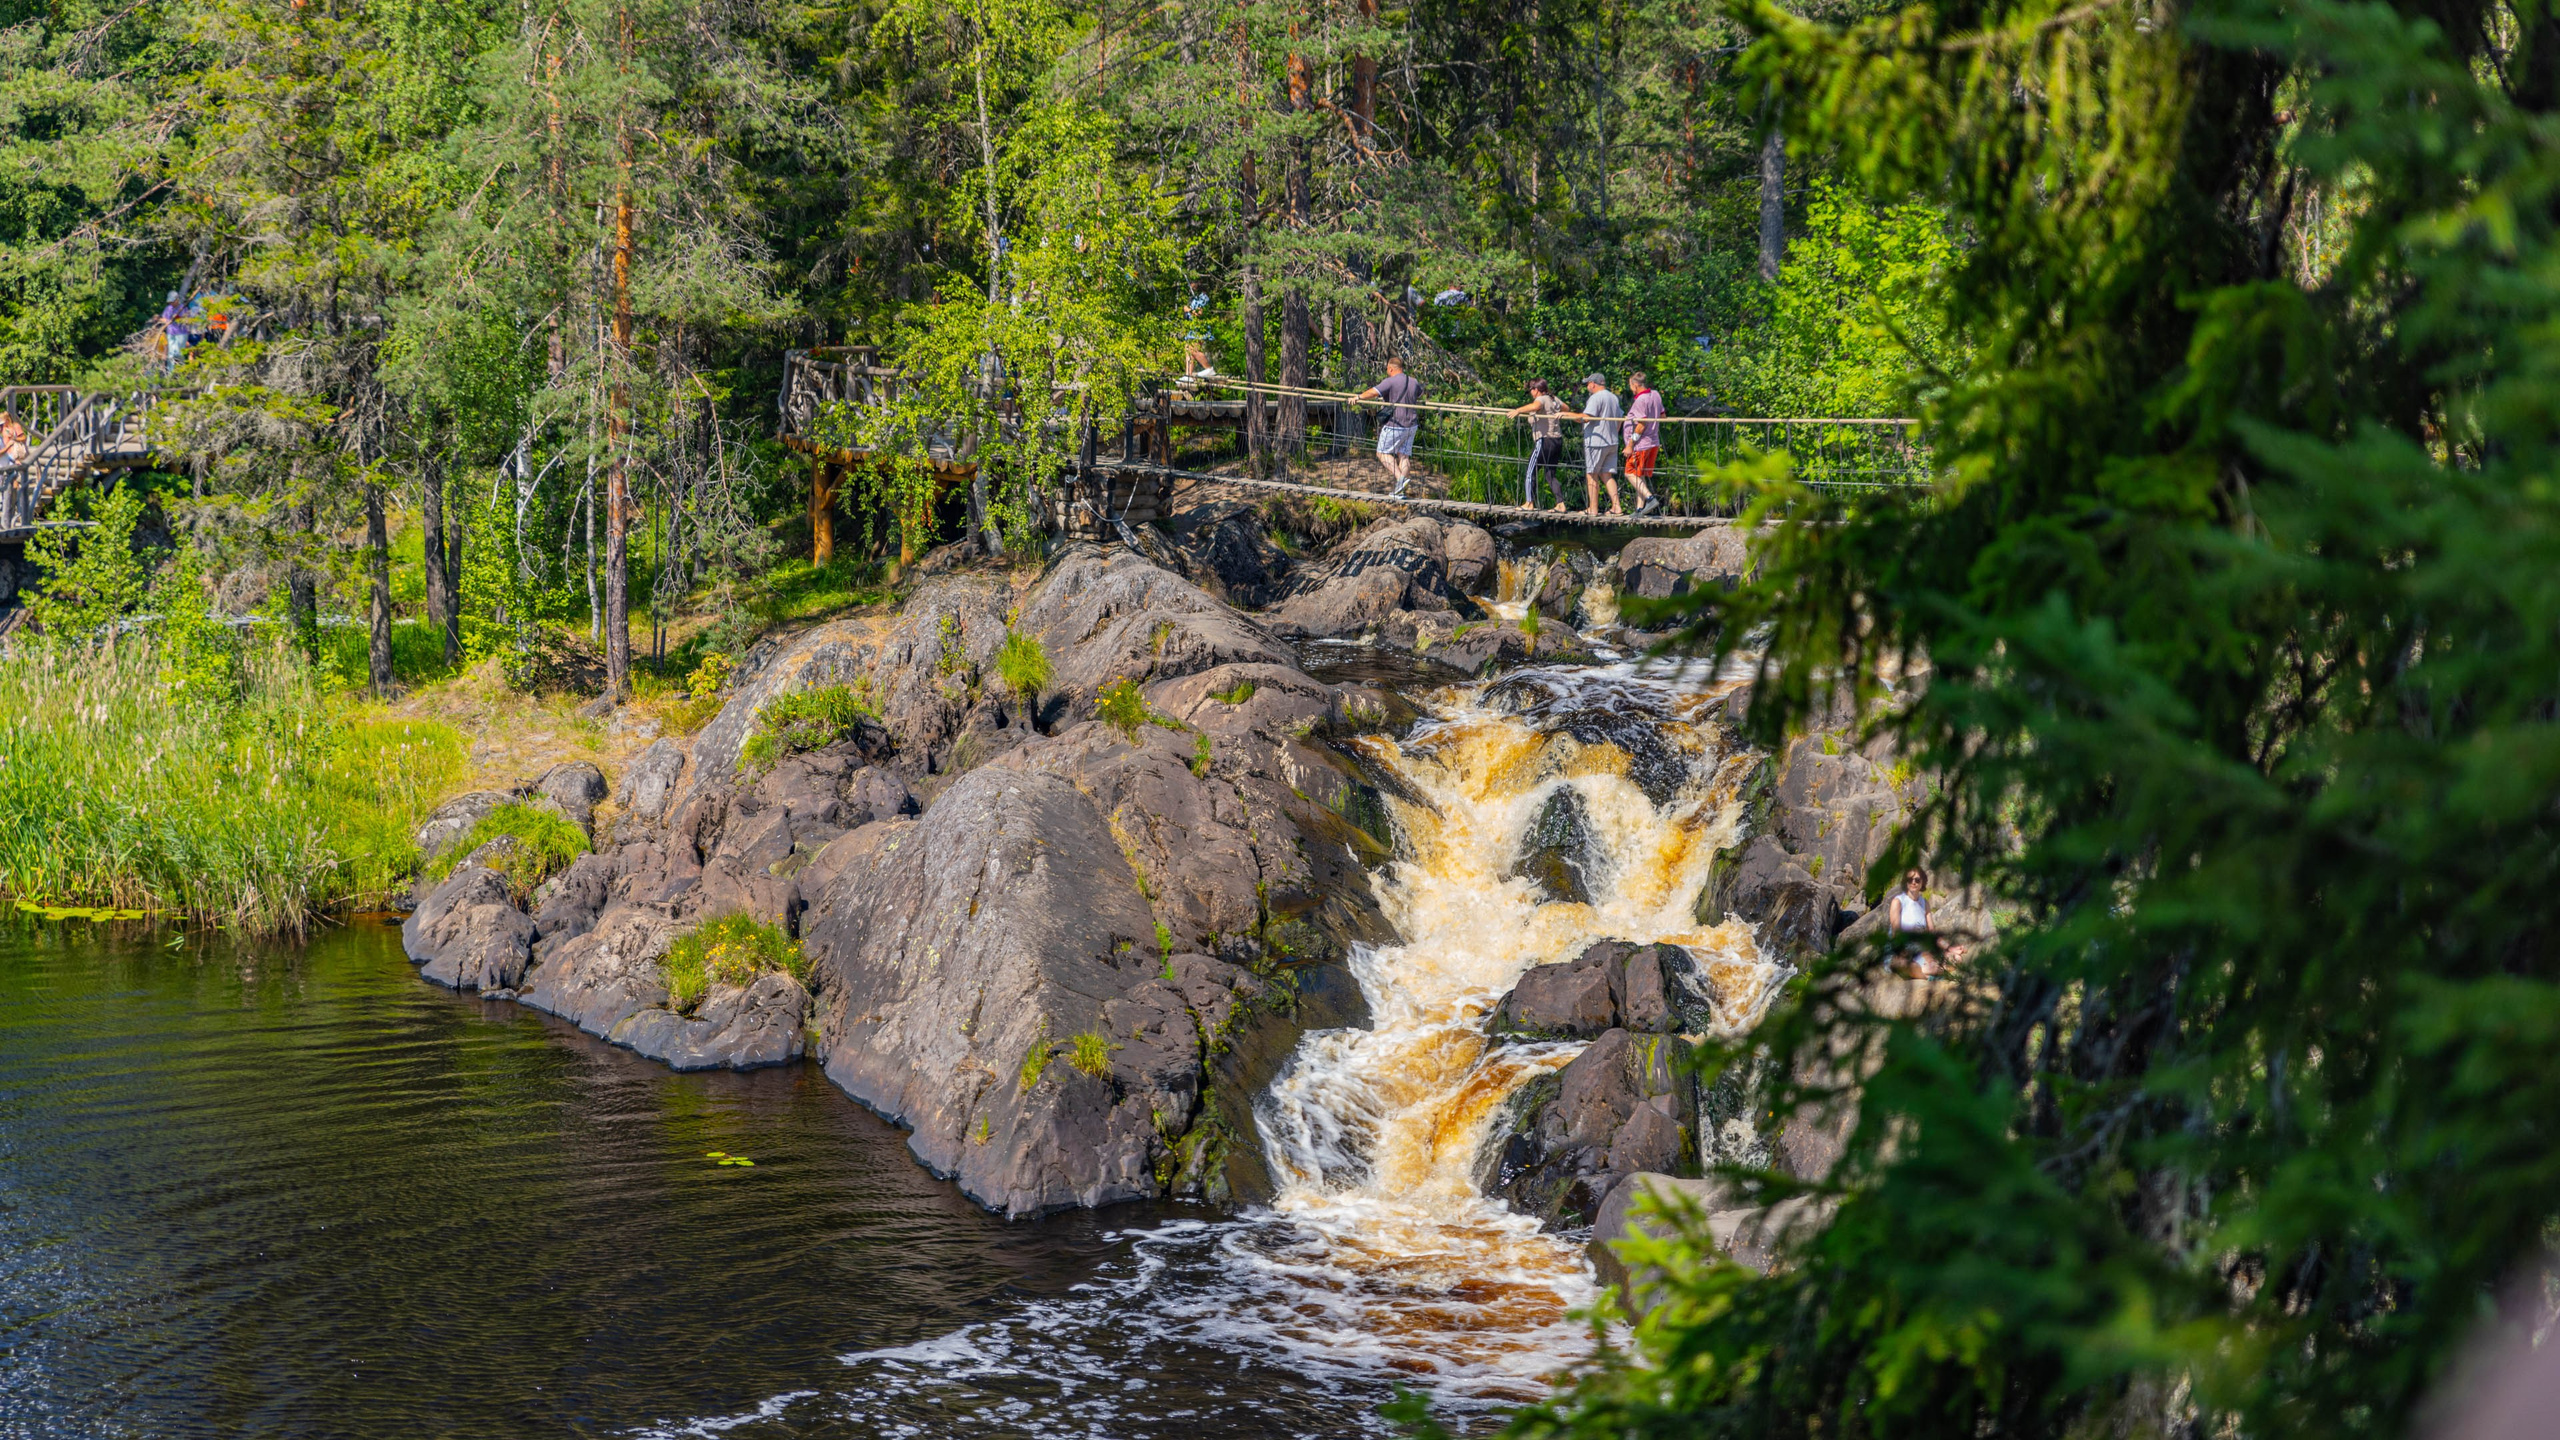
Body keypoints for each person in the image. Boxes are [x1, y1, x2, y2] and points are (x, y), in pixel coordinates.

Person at [1352, 356, 1424, 497]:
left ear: (1391, 368)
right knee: (1404, 456)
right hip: (1411, 425)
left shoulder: (1390, 381)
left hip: (1395, 424)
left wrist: (1358, 397)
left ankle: (1401, 479)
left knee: (1382, 453)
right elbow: (1419, 394)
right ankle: (1399, 492)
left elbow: (1373, 392)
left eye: (1387, 369)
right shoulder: (1413, 381)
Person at [1561, 372, 1625, 514]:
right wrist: (1614, 433)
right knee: (1607, 474)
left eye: (1588, 384)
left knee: (1592, 474)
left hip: (1596, 442)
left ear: (1593, 384)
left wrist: (1567, 415)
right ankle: (1616, 506)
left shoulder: (1596, 398)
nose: (1587, 386)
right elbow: (1620, 418)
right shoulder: (1613, 397)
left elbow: (1586, 418)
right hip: (1612, 441)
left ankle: (1593, 509)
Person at [1507, 379, 1572, 510]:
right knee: (1550, 474)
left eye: (1531, 390)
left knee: (1530, 471)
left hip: (1544, 440)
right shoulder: (1553, 399)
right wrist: (1560, 413)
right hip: (1556, 441)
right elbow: (1566, 408)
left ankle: (1529, 502)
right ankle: (1560, 503)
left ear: (1536, 390)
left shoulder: (1541, 399)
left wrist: (1518, 410)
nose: (1531, 393)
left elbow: (1535, 406)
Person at [1621, 371, 1666, 515]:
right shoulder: (1656, 394)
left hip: (1641, 444)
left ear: (1635, 385)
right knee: (1639, 475)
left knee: (1629, 473)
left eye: (1630, 385)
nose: (1630, 388)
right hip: (1653, 442)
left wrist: (1630, 445)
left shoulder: (1640, 400)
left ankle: (1650, 498)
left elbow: (1641, 425)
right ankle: (1640, 509)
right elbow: (1663, 416)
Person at [1890, 869, 1943, 978]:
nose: (1913, 882)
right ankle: (1927, 973)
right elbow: (1896, 934)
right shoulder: (1898, 901)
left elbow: (1932, 932)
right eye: (1910, 880)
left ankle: (1926, 971)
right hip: (1903, 949)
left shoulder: (1925, 903)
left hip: (1920, 950)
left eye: (1917, 880)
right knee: (1902, 964)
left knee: (1956, 958)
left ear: (1922, 882)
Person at [1181, 290, 1215, 377]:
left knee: (1194, 350)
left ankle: (1209, 369)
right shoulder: (1194, 297)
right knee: (1188, 349)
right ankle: (1188, 375)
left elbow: (1200, 313)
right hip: (1192, 328)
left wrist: (1188, 310)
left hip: (1199, 328)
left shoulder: (1203, 297)